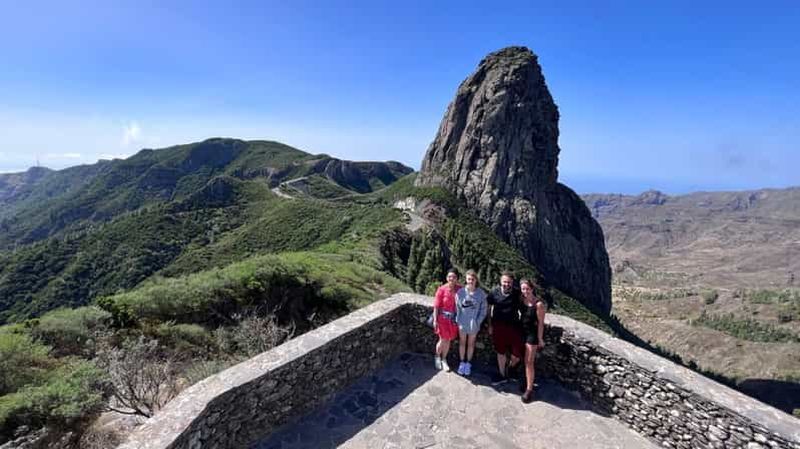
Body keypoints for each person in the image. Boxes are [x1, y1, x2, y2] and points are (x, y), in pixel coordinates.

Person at [486, 271, 524, 385]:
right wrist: (489, 324)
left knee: (517, 354)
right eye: (504, 282)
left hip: (514, 327)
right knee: (500, 351)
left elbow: (525, 306)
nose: (506, 284)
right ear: (500, 282)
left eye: (509, 282)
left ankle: (511, 369)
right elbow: (488, 309)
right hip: (498, 326)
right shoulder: (494, 292)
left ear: (512, 283)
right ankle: (502, 375)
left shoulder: (517, 293)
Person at [455, 269, 487, 376]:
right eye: (469, 279)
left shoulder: (481, 294)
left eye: (472, 279)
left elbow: (483, 310)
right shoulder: (460, 293)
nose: (470, 281)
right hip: (462, 323)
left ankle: (468, 363)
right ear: (466, 279)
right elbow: (457, 307)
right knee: (462, 343)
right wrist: (458, 321)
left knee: (471, 344)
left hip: (474, 324)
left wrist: (477, 322)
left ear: (476, 280)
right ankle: (462, 362)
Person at [519, 278, 546, 403]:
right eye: (523, 289)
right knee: (520, 358)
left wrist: (540, 338)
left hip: (532, 334)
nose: (525, 291)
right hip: (522, 331)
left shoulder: (538, 304)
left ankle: (529, 390)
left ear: (532, 289)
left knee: (529, 362)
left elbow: (541, 323)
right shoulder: (522, 300)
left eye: (527, 289)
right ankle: (524, 380)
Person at [433, 268, 461, 372]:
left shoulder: (460, 289)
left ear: (457, 278)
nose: (451, 279)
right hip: (442, 320)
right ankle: (437, 357)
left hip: (453, 321)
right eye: (449, 277)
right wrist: (435, 320)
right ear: (446, 278)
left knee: (448, 340)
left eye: (454, 277)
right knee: (442, 339)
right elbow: (436, 306)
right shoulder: (441, 289)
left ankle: (444, 359)